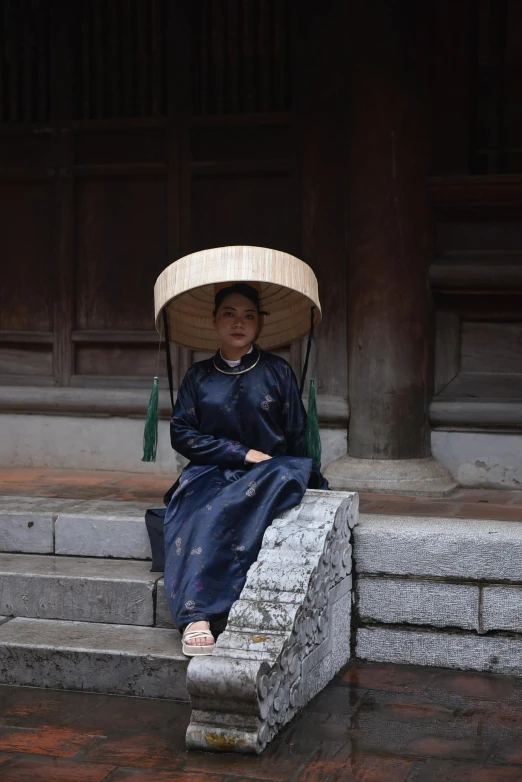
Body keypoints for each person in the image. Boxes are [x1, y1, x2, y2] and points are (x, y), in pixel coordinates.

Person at [163, 281, 328, 656]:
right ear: (215, 321)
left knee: (289, 471)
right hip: (210, 471)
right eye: (230, 314)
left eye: (249, 316)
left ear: (259, 325)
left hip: (269, 474)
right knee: (204, 511)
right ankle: (197, 616)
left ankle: (206, 608)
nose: (240, 323)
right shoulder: (197, 377)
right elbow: (182, 434)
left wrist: (310, 478)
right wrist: (241, 453)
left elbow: (297, 434)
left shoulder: (277, 372)